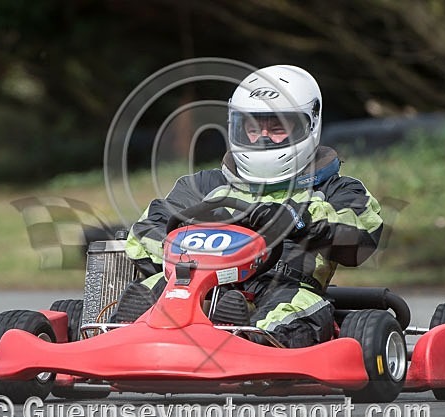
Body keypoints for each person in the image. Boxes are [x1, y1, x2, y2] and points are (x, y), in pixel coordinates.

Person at [117, 65, 383, 348]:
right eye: (253, 128)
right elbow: (146, 231)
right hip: (199, 284)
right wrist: (195, 242)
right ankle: (123, 334)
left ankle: (246, 339)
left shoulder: (336, 189)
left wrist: (295, 220)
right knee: (156, 286)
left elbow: (361, 234)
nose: (264, 137)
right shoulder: (204, 186)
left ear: (309, 125)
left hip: (284, 285)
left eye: (277, 127)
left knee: (290, 309)